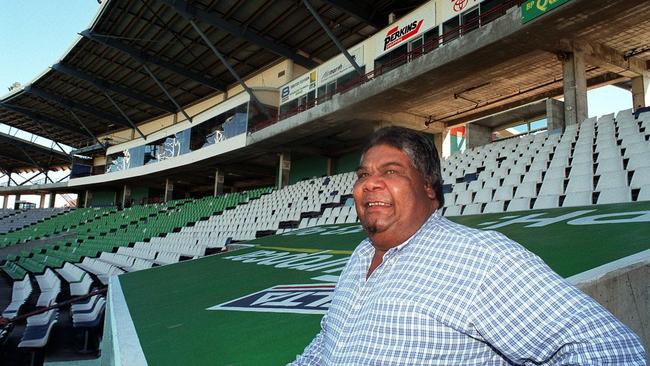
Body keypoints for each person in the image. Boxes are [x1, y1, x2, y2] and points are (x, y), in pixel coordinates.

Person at [290, 126, 646, 365]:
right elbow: (328, 342)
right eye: (364, 175)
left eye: (391, 171)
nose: (370, 184)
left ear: (429, 187)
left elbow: (609, 349)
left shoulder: (481, 258)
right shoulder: (359, 257)